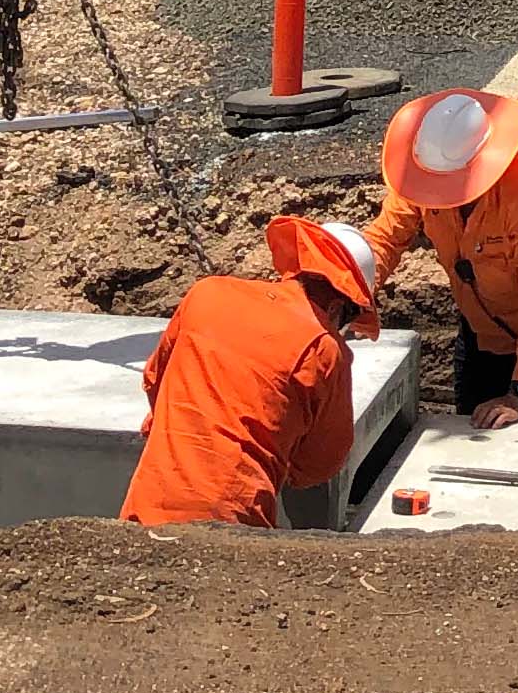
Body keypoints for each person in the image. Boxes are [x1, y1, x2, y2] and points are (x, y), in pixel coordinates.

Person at [120, 214, 379, 526]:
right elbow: (319, 464)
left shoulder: (207, 293)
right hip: (233, 523)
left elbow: (154, 382)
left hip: (147, 507)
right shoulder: (324, 348)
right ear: (337, 309)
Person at [366, 88, 518, 428]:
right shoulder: (421, 176)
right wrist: (351, 293)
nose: (439, 195)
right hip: (480, 333)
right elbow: (384, 238)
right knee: (472, 428)